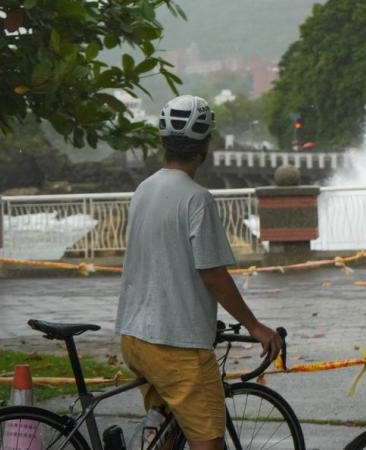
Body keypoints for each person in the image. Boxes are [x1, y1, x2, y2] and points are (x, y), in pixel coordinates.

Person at [115, 95, 282, 450]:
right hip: (176, 346)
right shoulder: (197, 198)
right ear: (206, 146)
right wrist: (255, 326)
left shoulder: (143, 190)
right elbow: (213, 275)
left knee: (168, 433)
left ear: (162, 142)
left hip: (135, 337)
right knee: (208, 442)